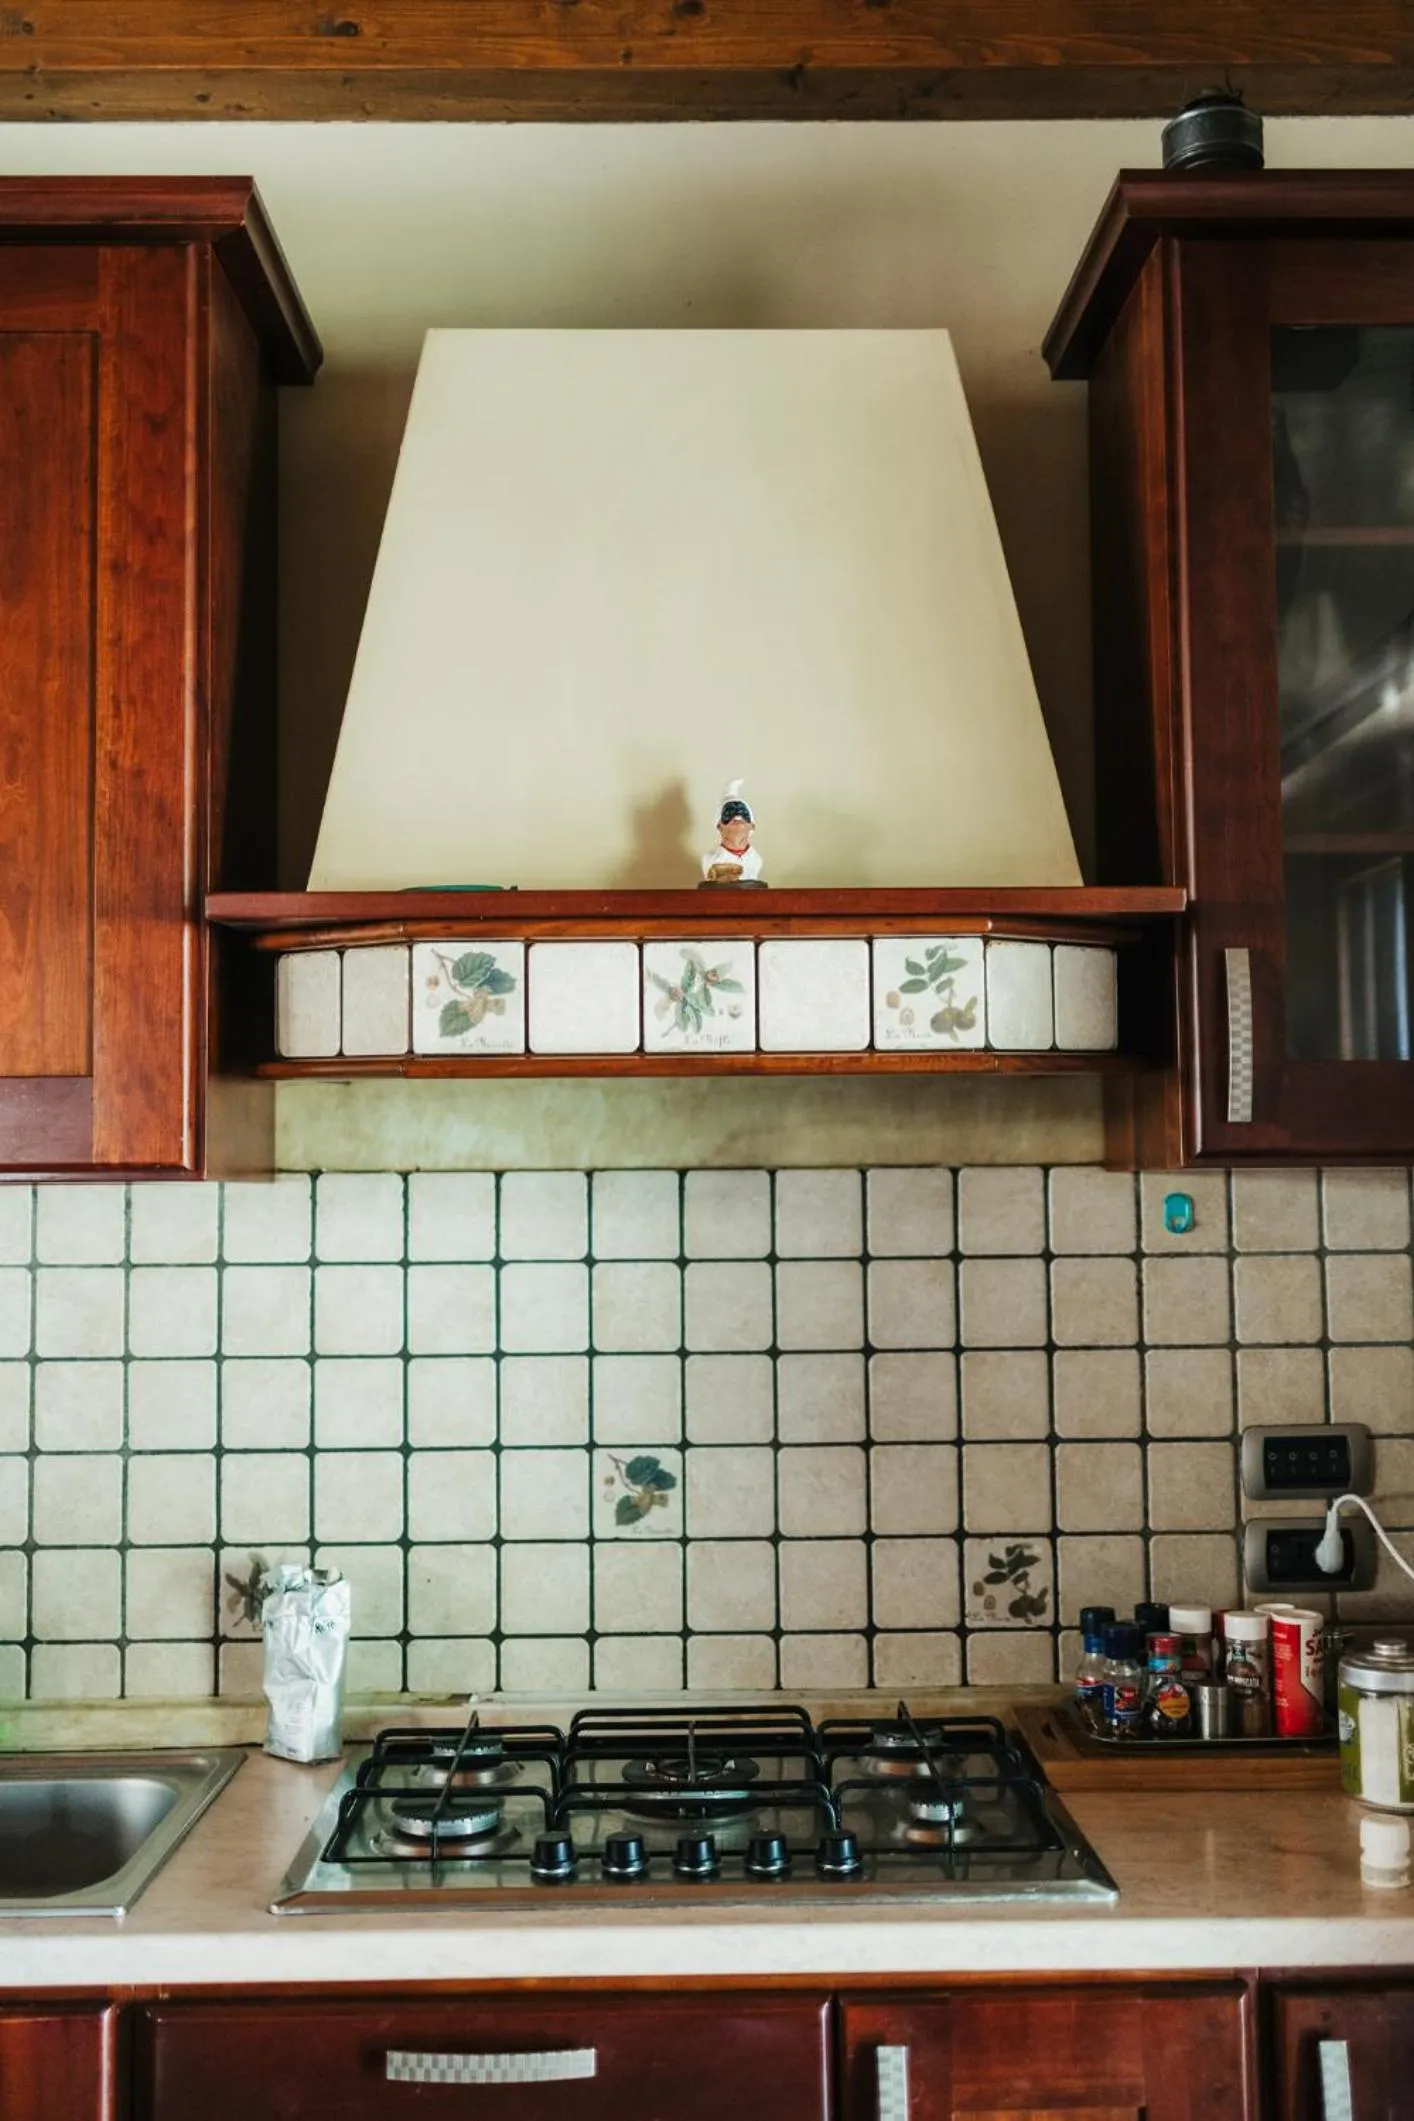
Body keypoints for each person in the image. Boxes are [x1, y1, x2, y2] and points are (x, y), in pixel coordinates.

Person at [701, 780, 764, 884]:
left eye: (743, 813)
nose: (737, 817)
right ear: (719, 826)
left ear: (752, 826)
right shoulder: (710, 859)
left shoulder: (756, 860)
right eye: (729, 813)